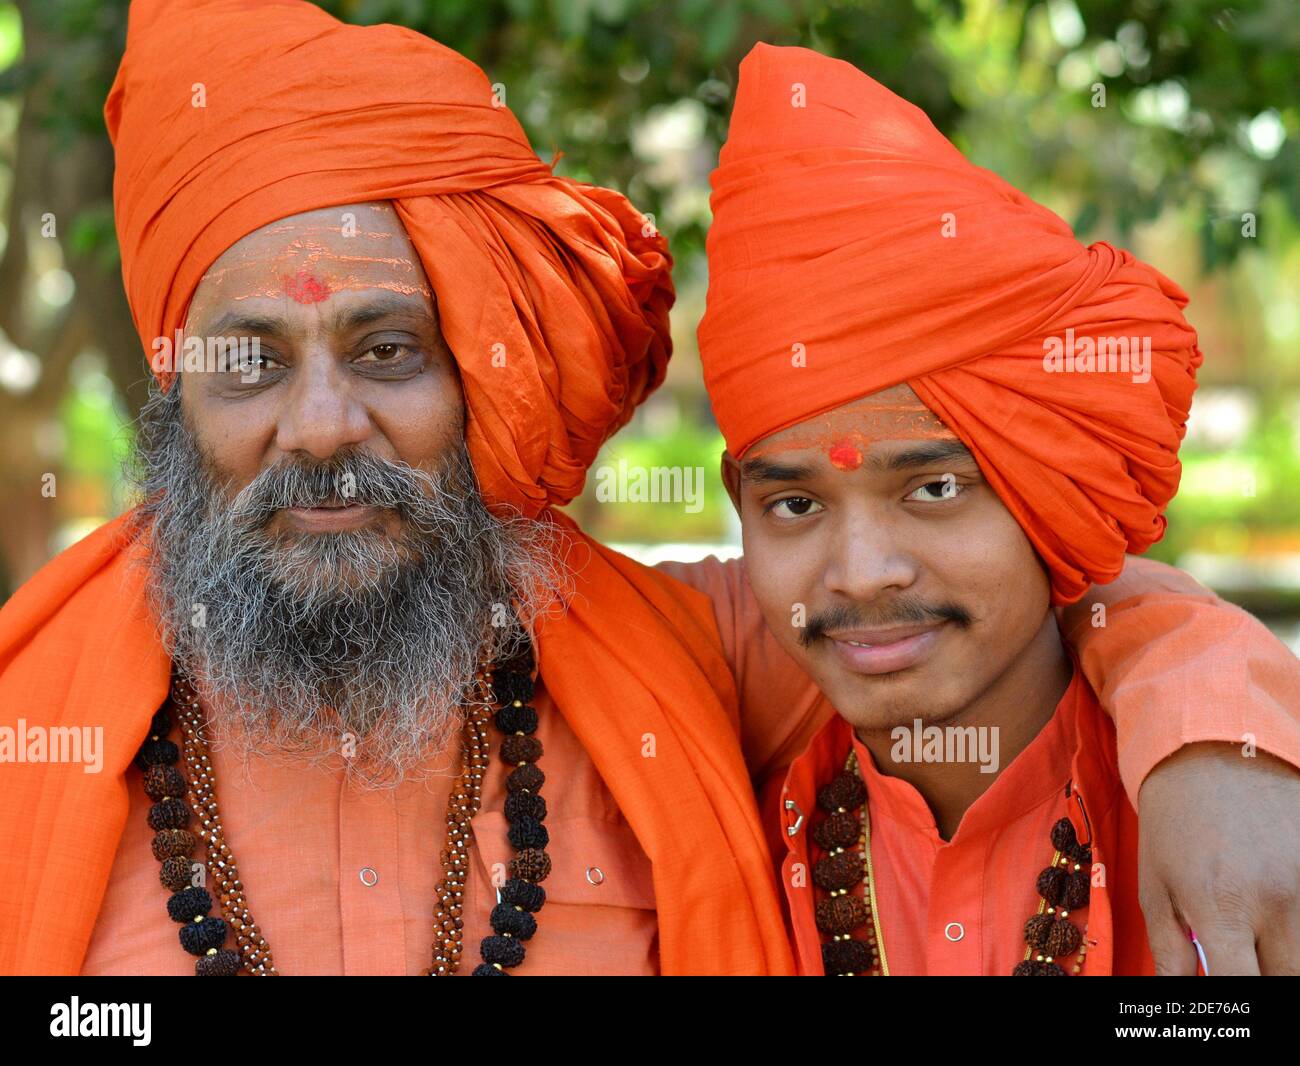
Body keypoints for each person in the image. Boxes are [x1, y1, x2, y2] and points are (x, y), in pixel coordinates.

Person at [0, 0, 790, 977]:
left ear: (475, 379)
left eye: (386, 350)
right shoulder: (27, 731)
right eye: (251, 360)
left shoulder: (718, 660)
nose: (325, 425)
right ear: (176, 401)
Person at [687, 42, 1300, 974]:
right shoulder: (719, 773)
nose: (859, 572)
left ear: (1050, 488)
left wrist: (1216, 718)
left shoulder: (1237, 846)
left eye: (934, 488)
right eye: (797, 502)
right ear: (741, 505)